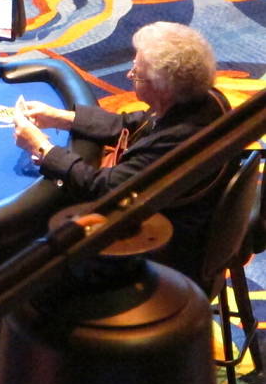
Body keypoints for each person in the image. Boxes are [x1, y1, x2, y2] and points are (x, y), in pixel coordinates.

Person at [12, 21, 230, 278]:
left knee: (25, 237)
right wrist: (59, 117)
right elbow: (140, 123)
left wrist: (42, 147)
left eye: (137, 74)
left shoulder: (178, 141)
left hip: (161, 247)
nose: (129, 76)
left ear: (162, 90)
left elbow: (105, 189)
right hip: (191, 214)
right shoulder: (204, 98)